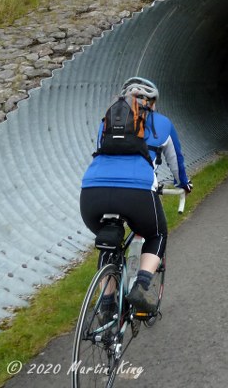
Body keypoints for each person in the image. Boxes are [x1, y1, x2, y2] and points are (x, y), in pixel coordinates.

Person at [80, 76, 192, 312]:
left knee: (108, 245)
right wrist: (183, 184)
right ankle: (140, 288)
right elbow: (176, 161)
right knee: (157, 234)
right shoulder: (162, 123)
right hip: (137, 191)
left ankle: (107, 306)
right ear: (152, 102)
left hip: (92, 191)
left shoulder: (107, 121)